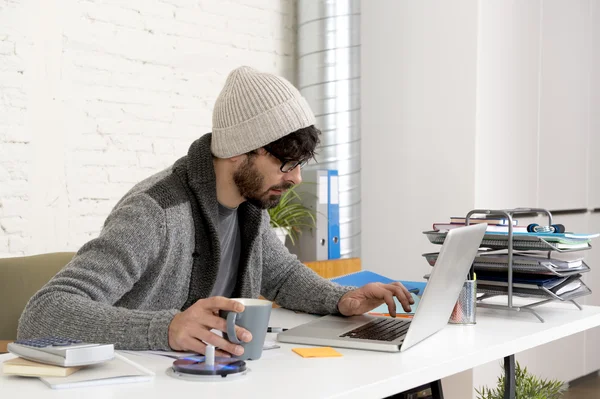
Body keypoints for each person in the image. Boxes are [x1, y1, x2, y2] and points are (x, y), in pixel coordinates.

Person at [18, 66, 414, 357]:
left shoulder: (248, 208)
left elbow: (283, 276)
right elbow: (44, 313)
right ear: (241, 149)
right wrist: (167, 327)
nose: (294, 179)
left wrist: (344, 300)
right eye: (285, 164)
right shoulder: (155, 212)